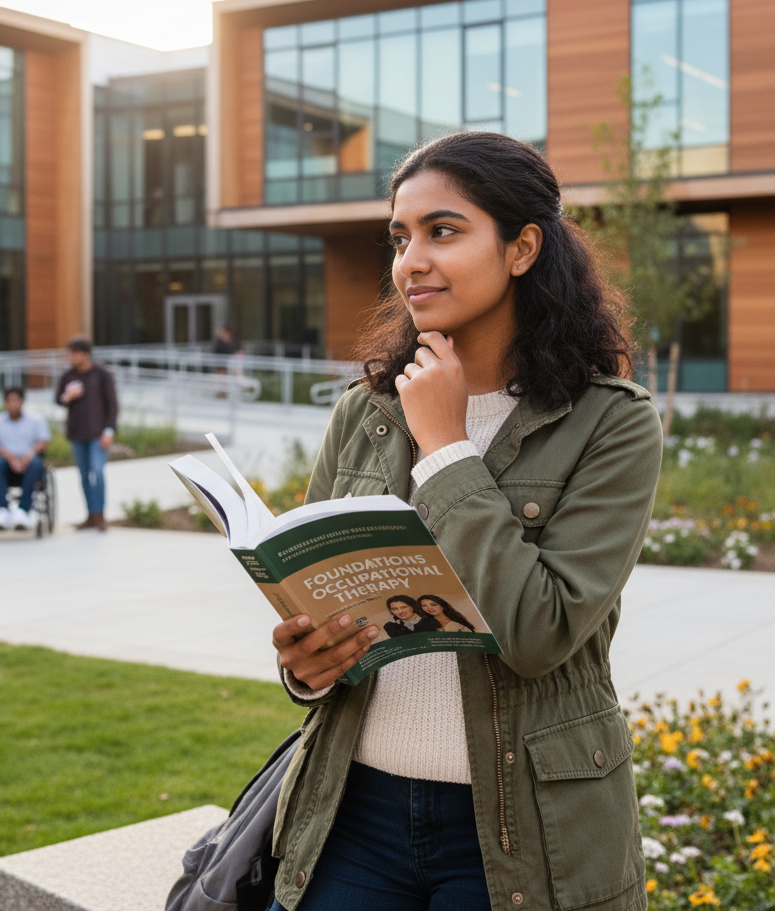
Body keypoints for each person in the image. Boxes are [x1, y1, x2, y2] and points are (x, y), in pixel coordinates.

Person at [269, 132, 663, 911]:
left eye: (442, 231)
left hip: (526, 829)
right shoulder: (365, 411)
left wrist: (446, 446)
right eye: (400, 236)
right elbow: (315, 597)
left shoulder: (610, 424)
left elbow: (537, 631)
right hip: (355, 812)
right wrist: (305, 666)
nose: (410, 259)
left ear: (521, 248)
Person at [55, 336, 117, 531]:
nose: (71, 357)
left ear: (85, 354)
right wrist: (68, 396)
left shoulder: (101, 375)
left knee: (97, 472)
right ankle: (90, 514)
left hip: (97, 433)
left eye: (75, 353)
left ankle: (101, 514)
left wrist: (109, 430)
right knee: (83, 475)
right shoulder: (68, 376)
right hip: (77, 433)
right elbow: (58, 399)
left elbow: (112, 405)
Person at [0, 387, 51, 530]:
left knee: (36, 463)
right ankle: (2, 509)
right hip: (5, 461)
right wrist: (9, 457)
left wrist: (28, 456)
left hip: (29, 461)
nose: (12, 404)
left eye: (15, 401)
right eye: (9, 401)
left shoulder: (36, 421)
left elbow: (43, 442)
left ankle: (23, 510)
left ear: (22, 402)